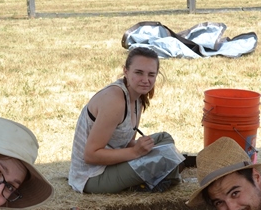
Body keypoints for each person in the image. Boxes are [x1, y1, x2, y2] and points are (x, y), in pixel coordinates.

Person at [68, 47, 182, 194]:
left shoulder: (138, 98)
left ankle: (160, 177)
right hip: (92, 176)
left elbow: (125, 142)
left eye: (151, 75)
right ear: (126, 71)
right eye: (139, 72)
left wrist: (140, 147)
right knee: (163, 158)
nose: (146, 80)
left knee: (165, 140)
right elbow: (90, 155)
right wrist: (136, 152)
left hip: (113, 163)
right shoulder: (115, 100)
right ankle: (158, 179)